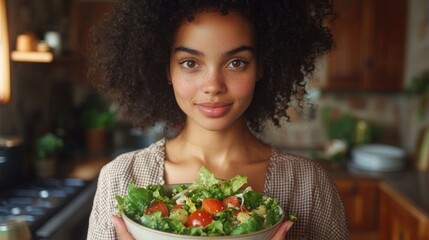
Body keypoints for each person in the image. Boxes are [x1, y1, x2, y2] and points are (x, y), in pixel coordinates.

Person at [86, 0, 349, 239]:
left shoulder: (308, 185)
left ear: (261, 67)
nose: (213, 86)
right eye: (190, 63)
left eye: (236, 63)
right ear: (167, 69)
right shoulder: (120, 178)